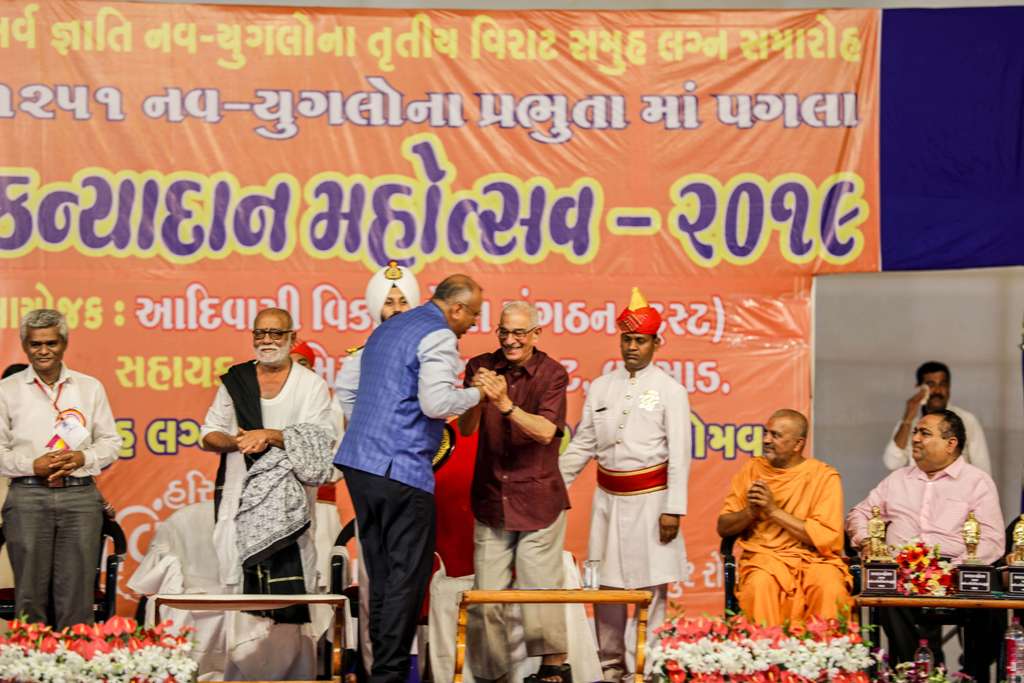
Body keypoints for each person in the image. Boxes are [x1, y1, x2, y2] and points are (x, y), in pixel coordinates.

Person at [336, 274, 483, 683]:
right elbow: (436, 403)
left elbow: (346, 391)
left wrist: (372, 428)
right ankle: (391, 674)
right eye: (473, 314)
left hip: (361, 466)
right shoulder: (437, 336)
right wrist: (477, 395)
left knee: (381, 574)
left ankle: (382, 673)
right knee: (407, 576)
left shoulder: (388, 329)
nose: (473, 324)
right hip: (401, 469)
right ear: (455, 308)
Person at [560, 287, 691, 682]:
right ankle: (611, 670)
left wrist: (674, 508)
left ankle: (650, 671)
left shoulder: (671, 390)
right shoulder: (601, 387)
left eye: (640, 340)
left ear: (656, 343)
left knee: (651, 592)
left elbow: (680, 454)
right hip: (607, 502)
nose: (632, 347)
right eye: (627, 339)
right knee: (607, 592)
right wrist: (548, 485)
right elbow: (583, 445)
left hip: (653, 504)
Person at [200, 307, 336, 680]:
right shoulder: (236, 381)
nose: (267, 341)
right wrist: (237, 441)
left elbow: (319, 442)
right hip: (238, 504)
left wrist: (271, 436)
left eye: (277, 334)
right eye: (261, 333)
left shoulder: (310, 385)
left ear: (292, 338)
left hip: (291, 515)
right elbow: (208, 433)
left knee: (291, 610)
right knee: (241, 604)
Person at [457, 300, 571, 683]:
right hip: (492, 497)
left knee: (539, 589)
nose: (510, 340)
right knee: (486, 596)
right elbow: (468, 429)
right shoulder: (480, 367)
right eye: (504, 331)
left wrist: (505, 405)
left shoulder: (553, 374)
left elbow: (545, 433)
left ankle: (553, 668)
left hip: (538, 497)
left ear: (536, 334)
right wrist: (475, 397)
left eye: (519, 333)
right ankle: (494, 674)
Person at [848, 409, 1004, 682]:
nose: (915, 439)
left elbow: (992, 540)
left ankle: (973, 674)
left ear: (951, 443)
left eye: (924, 433)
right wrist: (868, 542)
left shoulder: (976, 482)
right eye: (916, 432)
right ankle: (913, 673)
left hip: (957, 570)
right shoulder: (897, 480)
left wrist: (951, 571)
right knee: (885, 584)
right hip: (903, 567)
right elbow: (858, 514)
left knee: (989, 591)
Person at [0, 309, 121, 627]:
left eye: (51, 343)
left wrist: (83, 458)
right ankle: (31, 671)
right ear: (25, 345)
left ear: (64, 343)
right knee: (30, 597)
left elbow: (111, 443)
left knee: (77, 596)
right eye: (35, 344)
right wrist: (31, 465)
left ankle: (74, 670)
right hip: (27, 495)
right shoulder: (7, 390)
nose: (43, 351)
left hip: (79, 496)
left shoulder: (89, 387)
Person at [716, 409, 851, 627]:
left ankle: (829, 656)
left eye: (775, 435)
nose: (766, 440)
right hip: (765, 558)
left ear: (798, 444)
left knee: (830, 586)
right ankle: (766, 657)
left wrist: (773, 511)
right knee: (759, 585)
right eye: (766, 433)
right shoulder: (751, 471)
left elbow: (827, 538)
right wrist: (751, 512)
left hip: (815, 560)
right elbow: (723, 527)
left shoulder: (824, 477)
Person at [336, 260, 421, 420]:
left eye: (403, 302)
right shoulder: (362, 355)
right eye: (389, 303)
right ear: (377, 307)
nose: (397, 309)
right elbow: (346, 393)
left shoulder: (426, 349)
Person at [883, 361, 990, 474]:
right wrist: (908, 419)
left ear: (949, 387)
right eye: (931, 384)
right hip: (918, 490)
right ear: (919, 387)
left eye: (943, 384)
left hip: (957, 491)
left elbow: (983, 469)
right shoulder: (908, 423)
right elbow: (892, 463)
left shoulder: (967, 420)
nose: (938, 391)